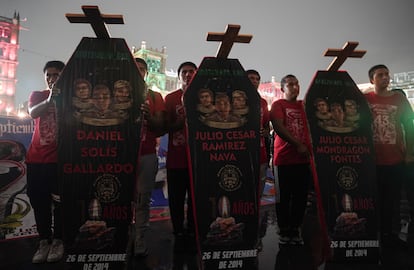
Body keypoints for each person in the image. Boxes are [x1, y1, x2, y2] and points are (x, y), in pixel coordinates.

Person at [364, 64, 414, 246]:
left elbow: (410, 127)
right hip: (371, 160)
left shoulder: (399, 100)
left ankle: (389, 234)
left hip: (395, 159)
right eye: (380, 75)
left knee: (392, 200)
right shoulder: (365, 99)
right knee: (374, 198)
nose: (385, 77)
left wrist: (409, 154)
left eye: (387, 74)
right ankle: (374, 233)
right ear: (372, 80)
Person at [26, 60, 65, 263]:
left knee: (60, 204)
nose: (52, 79)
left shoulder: (71, 98)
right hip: (36, 159)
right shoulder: (38, 95)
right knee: (39, 202)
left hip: (59, 161)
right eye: (48, 75)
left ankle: (58, 240)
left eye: (56, 75)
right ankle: (44, 241)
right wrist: (51, 98)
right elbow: (33, 113)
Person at [270, 74, 311, 246]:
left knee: (301, 197)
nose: (295, 87)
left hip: (303, 160)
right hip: (284, 159)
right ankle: (284, 228)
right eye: (290, 85)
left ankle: (296, 228)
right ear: (283, 89)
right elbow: (279, 127)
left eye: (297, 84)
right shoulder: (278, 105)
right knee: (283, 197)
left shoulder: (305, 106)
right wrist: (297, 144)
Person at [134, 58, 166, 257]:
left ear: (147, 73)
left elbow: (161, 127)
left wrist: (149, 116)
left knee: (142, 198)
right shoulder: (117, 94)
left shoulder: (154, 97)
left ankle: (139, 238)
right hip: (120, 156)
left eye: (142, 70)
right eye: (134, 69)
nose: (139, 72)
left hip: (146, 155)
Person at [164, 61, 197, 251]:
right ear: (179, 76)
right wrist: (181, 121)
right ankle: (177, 228)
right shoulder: (171, 98)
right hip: (176, 158)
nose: (188, 74)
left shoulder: (203, 97)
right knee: (176, 197)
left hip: (197, 160)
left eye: (191, 71)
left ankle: (193, 228)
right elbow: (165, 126)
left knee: (194, 197)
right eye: (184, 72)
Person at [246, 69, 270, 251]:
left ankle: (253, 226)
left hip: (260, 153)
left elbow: (266, 124)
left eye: (256, 78)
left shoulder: (262, 102)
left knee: (257, 191)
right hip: (241, 154)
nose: (254, 81)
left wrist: (264, 131)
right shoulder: (235, 98)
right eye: (250, 78)